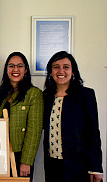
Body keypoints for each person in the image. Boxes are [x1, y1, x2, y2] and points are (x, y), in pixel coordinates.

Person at [43, 51, 103, 182]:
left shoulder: (85, 95)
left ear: (73, 71)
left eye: (66, 67)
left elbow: (93, 133)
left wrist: (96, 167)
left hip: (79, 166)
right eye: (56, 67)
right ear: (51, 71)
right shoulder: (46, 97)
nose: (61, 71)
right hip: (52, 165)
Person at [0, 52, 43, 181]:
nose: (15, 69)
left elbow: (34, 131)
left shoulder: (34, 94)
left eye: (20, 66)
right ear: (6, 69)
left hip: (20, 154)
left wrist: (26, 161)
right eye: (11, 66)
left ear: (25, 70)